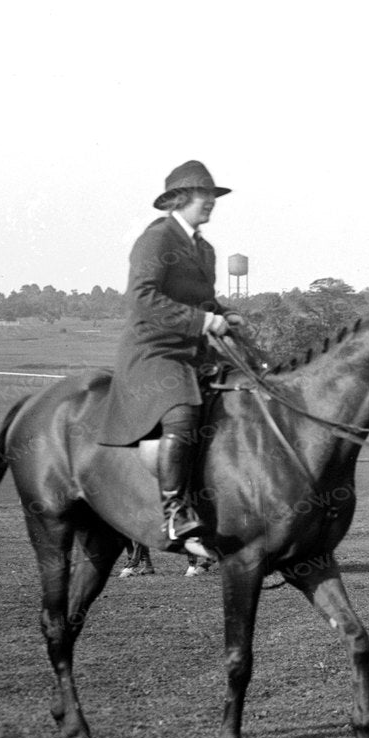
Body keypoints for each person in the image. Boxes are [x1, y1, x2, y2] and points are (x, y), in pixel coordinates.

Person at [95, 161, 242, 559]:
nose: (211, 202)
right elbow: (142, 298)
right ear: (181, 198)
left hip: (195, 353)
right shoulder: (156, 239)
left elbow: (202, 300)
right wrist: (201, 320)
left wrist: (224, 314)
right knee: (182, 411)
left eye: (213, 196)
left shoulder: (205, 249)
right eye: (204, 195)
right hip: (154, 352)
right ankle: (176, 513)